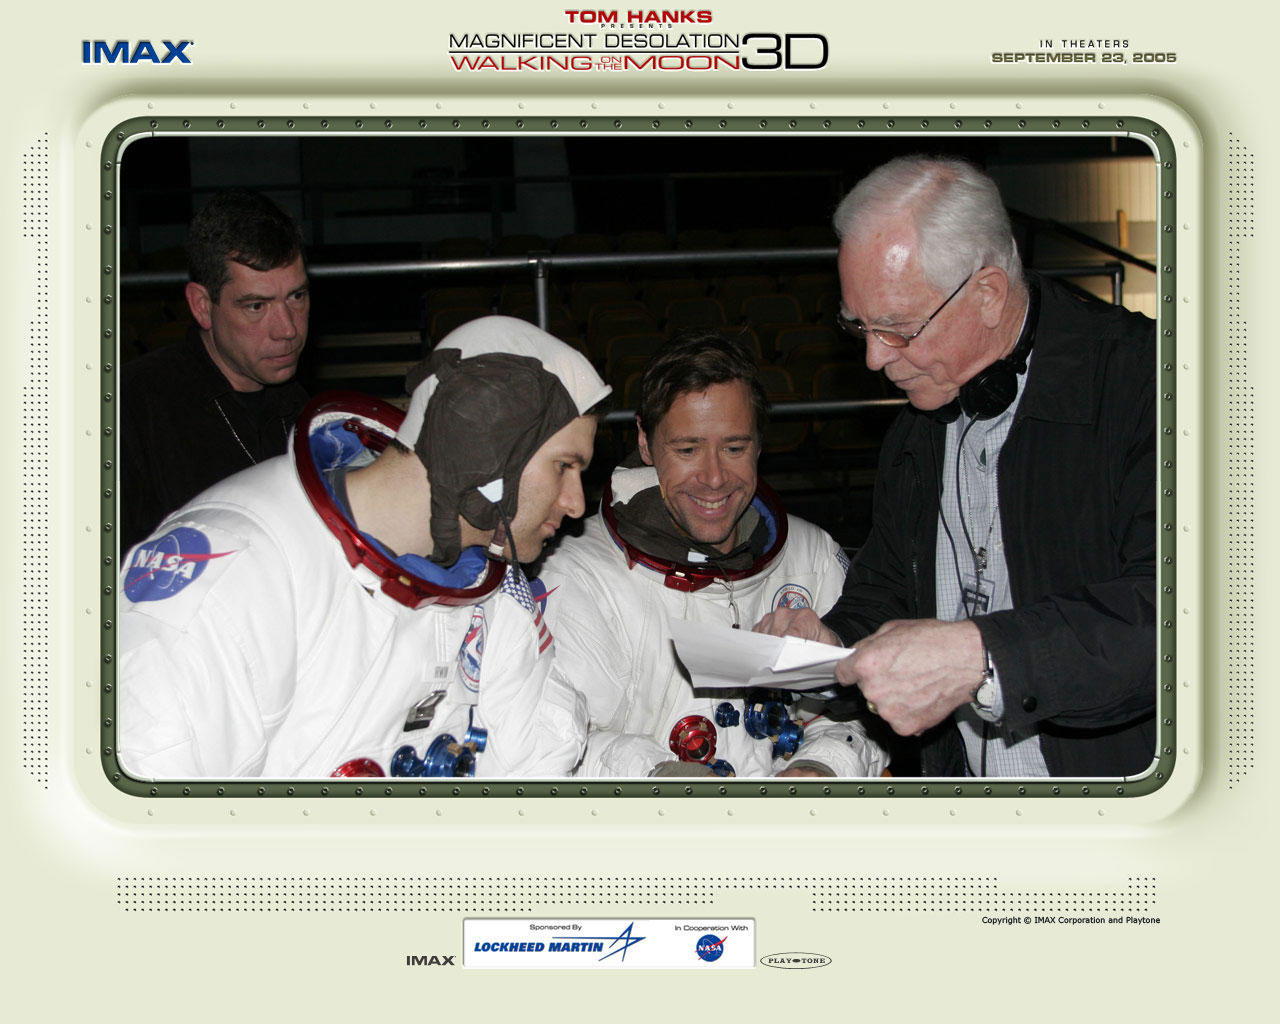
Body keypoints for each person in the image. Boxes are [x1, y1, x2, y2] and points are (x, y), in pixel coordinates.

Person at [756, 155, 1157, 778]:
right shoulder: (919, 424)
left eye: (898, 328)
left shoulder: (1150, 386)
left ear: (988, 294)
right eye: (859, 326)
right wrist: (832, 644)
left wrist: (983, 658)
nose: (873, 358)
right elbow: (890, 586)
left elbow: (1186, 615)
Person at [118, 316, 610, 779]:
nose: (575, 503)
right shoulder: (237, 569)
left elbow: (535, 766)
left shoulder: (496, 590)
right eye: (564, 466)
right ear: (485, 448)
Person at [535, 331, 887, 778]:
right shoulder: (577, 574)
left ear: (760, 442)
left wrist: (821, 766)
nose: (715, 478)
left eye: (735, 448)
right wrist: (662, 777)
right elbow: (553, 742)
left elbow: (866, 709)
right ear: (644, 441)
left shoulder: (811, 557)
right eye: (687, 449)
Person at [119, 189, 311, 552]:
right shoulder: (131, 409)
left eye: (296, 297)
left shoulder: (305, 409)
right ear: (202, 306)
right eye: (256, 306)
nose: (287, 329)